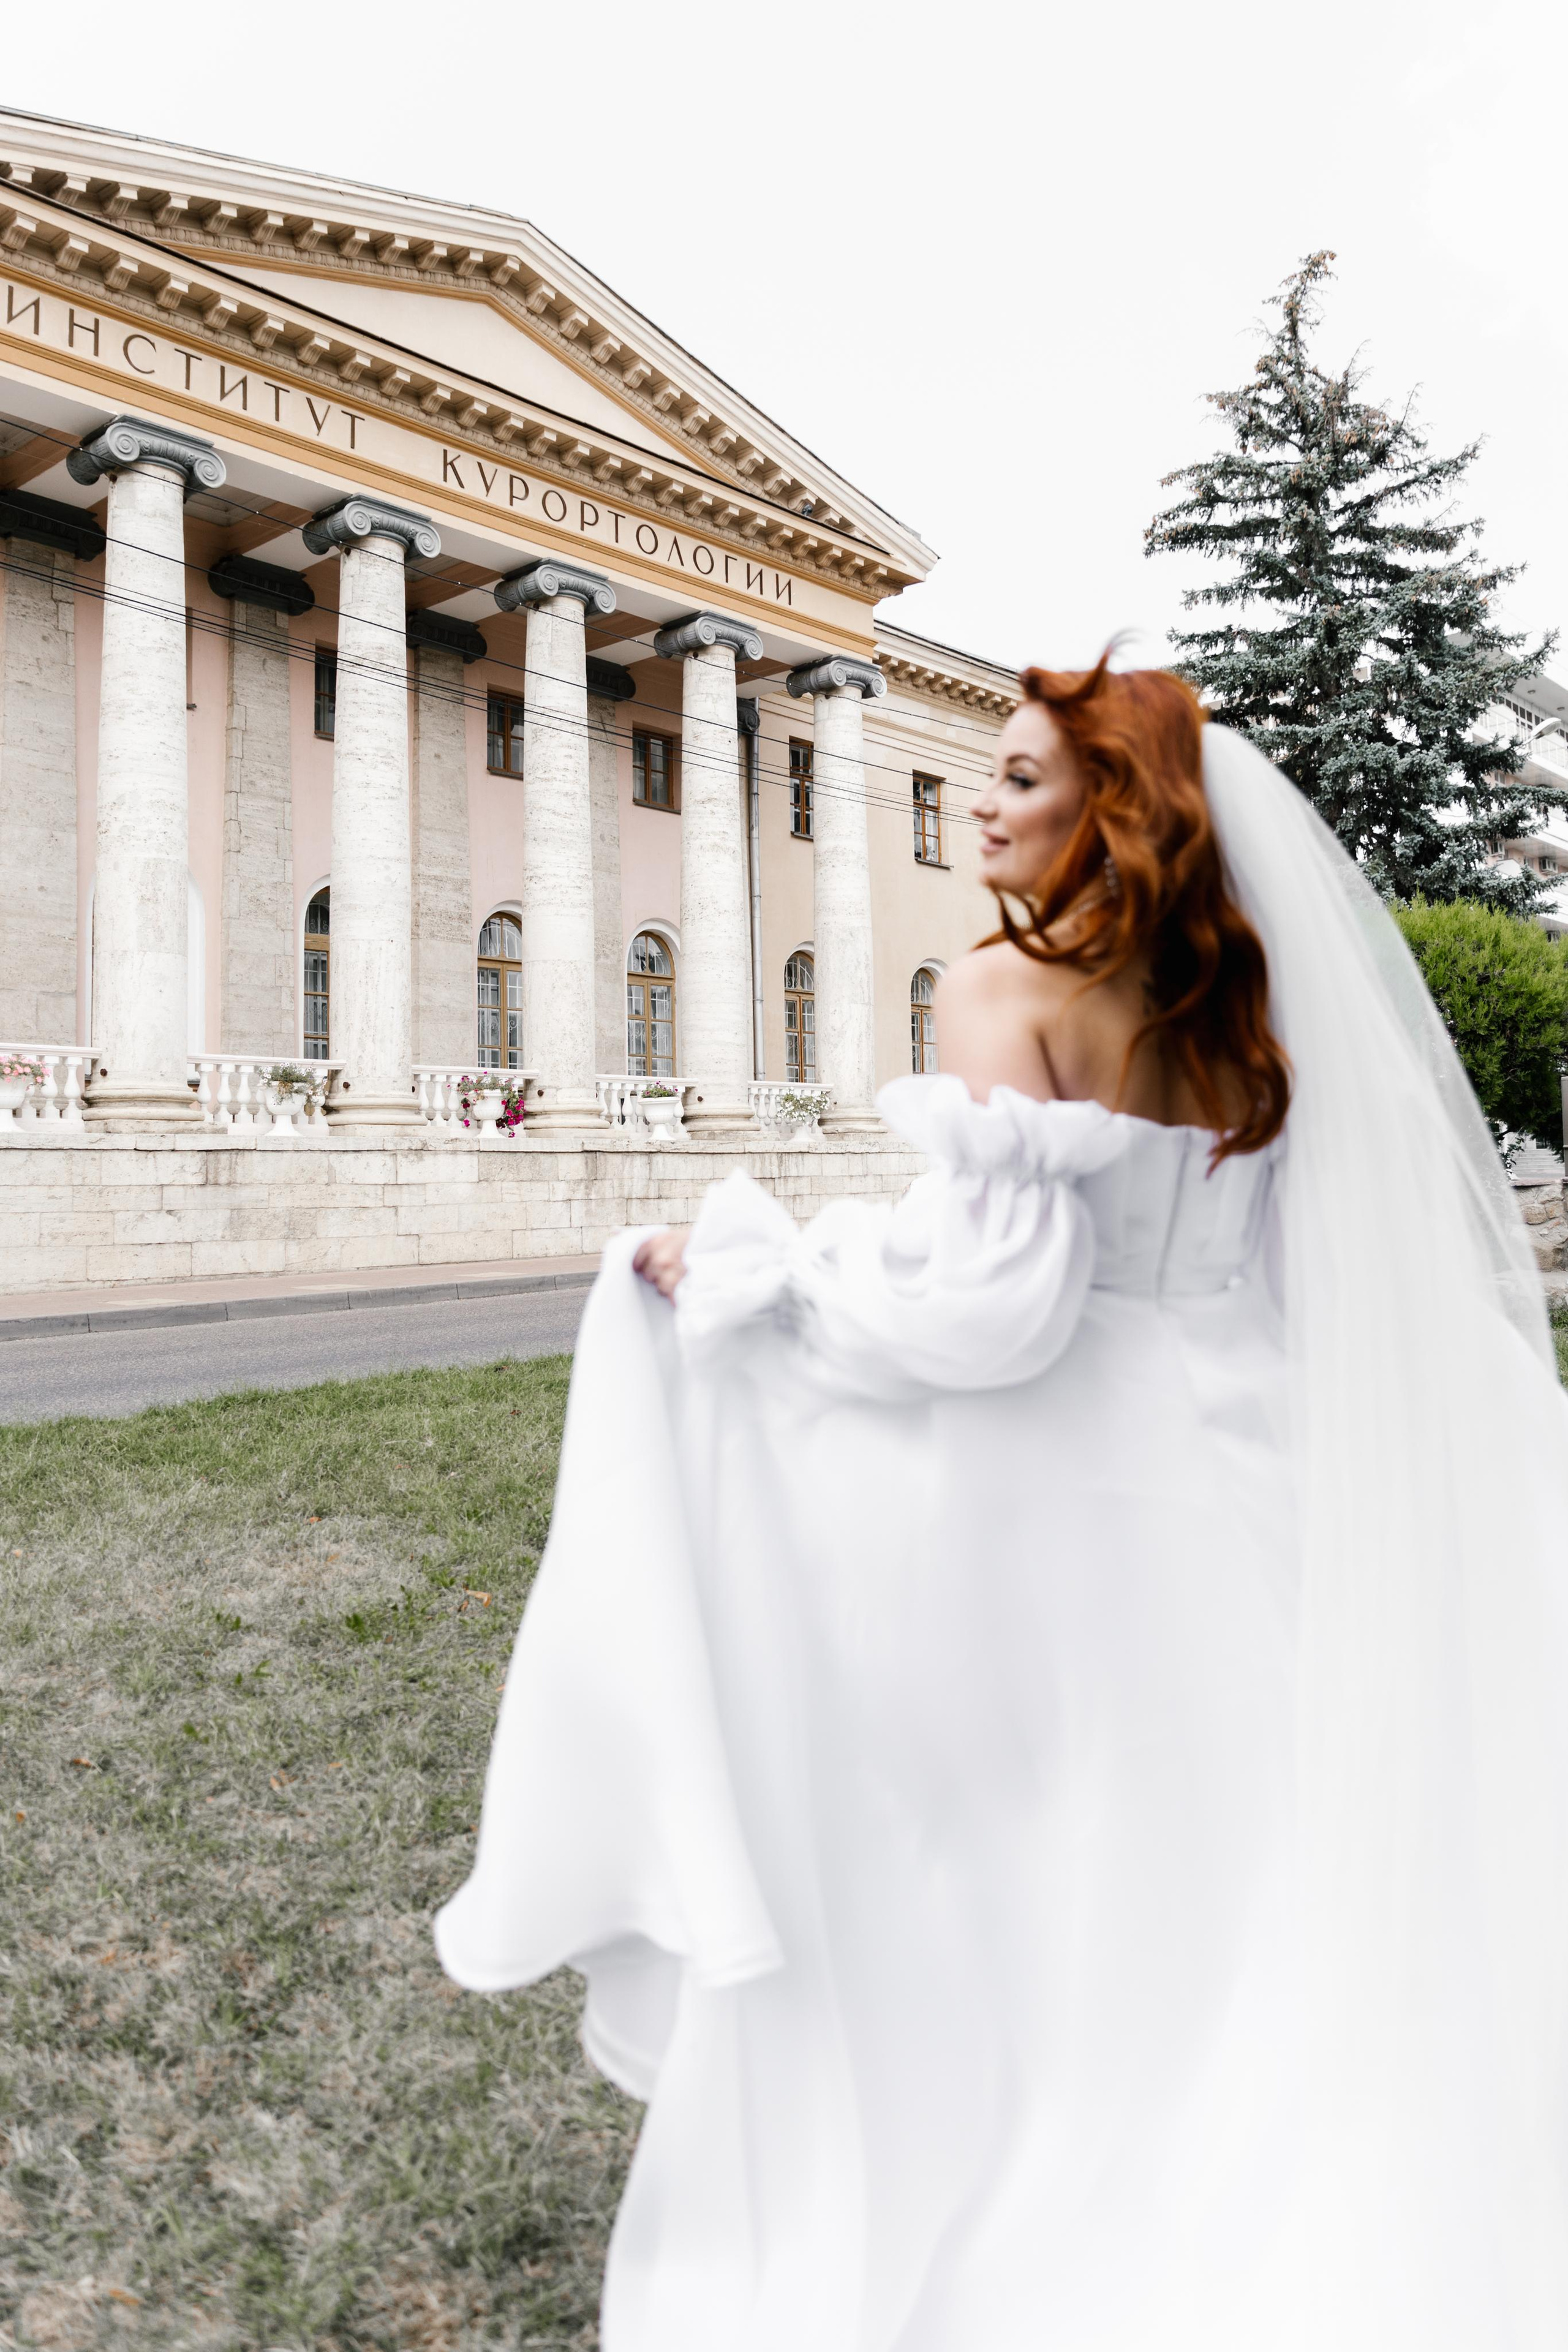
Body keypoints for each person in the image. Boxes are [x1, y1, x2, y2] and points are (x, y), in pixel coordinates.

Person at [437, 658, 1568, 2352]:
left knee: (995, 1875)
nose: (979, 800)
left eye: (1021, 779)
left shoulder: (1003, 987)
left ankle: (1017, 2233)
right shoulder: (1236, 1009)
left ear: (1110, 815)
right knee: (1228, 1861)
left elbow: (995, 1307)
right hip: (1247, 1456)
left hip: (1051, 1485)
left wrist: (766, 1277)